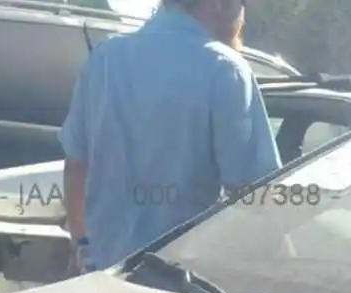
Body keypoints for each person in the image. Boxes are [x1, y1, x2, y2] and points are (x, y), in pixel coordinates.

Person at [60, 0, 282, 275]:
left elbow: (75, 169)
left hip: (100, 278)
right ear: (217, 4)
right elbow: (254, 194)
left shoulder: (104, 58)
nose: (244, 17)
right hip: (180, 284)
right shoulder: (225, 69)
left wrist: (82, 248)